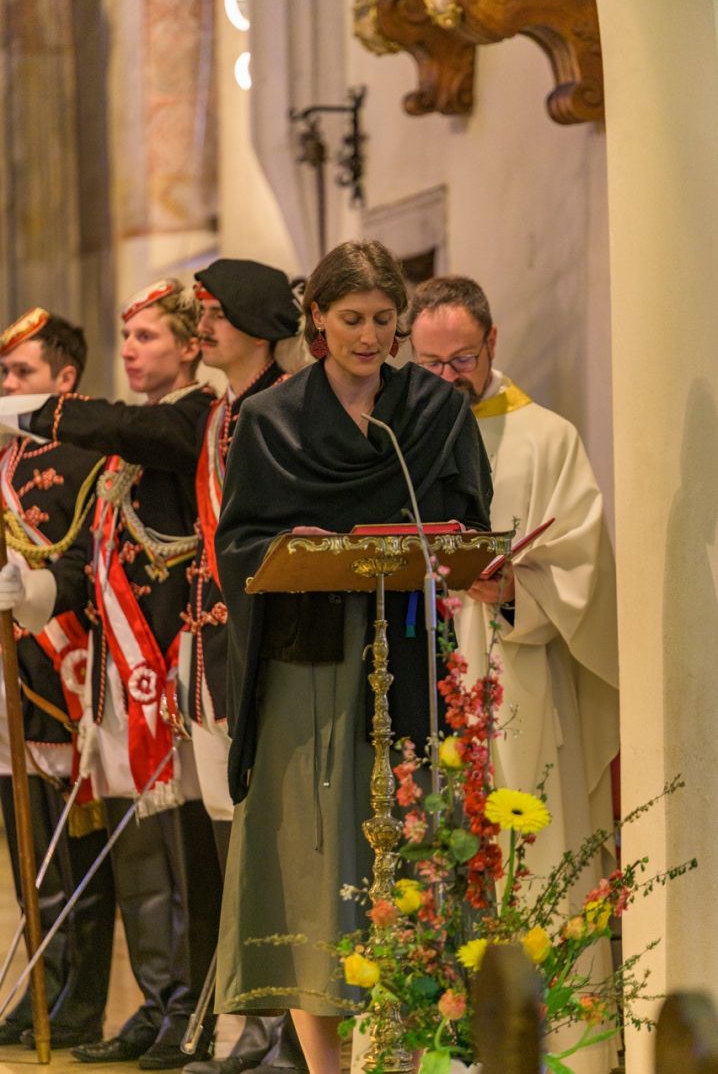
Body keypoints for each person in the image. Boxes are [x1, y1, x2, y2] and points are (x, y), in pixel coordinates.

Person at [214, 241, 493, 1074]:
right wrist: (285, 547)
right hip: (309, 667)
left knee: (409, 858)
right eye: (351, 321)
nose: (369, 337)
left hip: (407, 649)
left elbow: (469, 517)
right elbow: (238, 544)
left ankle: (406, 1058)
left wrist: (481, 563)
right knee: (315, 862)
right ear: (317, 321)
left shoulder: (434, 414)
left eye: (382, 320)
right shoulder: (272, 420)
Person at [0, 280, 222, 1069]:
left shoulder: (194, 420)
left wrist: (27, 412)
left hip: (176, 671)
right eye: (125, 336)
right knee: (136, 850)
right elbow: (90, 563)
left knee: (184, 852)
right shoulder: (127, 449)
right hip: (122, 679)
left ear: (194, 345)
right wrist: (35, 590)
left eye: (148, 337)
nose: (129, 350)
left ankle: (194, 1006)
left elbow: (131, 431)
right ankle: (159, 1003)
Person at [408, 275, 620, 887]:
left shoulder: (547, 438)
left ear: (493, 342)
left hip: (515, 671)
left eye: (463, 359)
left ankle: (535, 983)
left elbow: (585, 565)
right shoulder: (393, 439)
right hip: (421, 669)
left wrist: (513, 595)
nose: (448, 378)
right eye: (431, 364)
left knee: (526, 858)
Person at [180, 258, 308, 1074]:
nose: (203, 328)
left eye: (215, 314)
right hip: (214, 656)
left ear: (258, 324)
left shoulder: (287, 409)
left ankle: (294, 1034)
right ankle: (255, 1026)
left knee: (276, 847)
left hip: (270, 651)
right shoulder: (223, 412)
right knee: (234, 850)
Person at [0, 309, 116, 1049]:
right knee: (22, 849)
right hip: (5, 678)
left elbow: (81, 572)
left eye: (23, 375)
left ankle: (78, 996)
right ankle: (41, 980)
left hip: (56, 675)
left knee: (68, 853)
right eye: (3, 375)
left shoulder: (84, 459)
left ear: (64, 380)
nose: (7, 387)